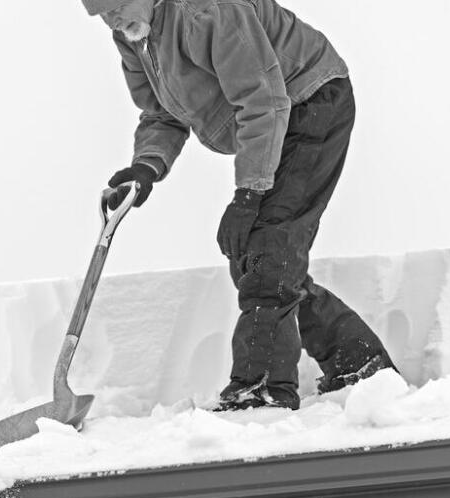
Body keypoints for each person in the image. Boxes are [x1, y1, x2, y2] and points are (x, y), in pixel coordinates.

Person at [85, 0, 395, 410]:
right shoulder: (135, 37)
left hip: (310, 100)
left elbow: (263, 101)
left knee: (270, 249)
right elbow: (162, 112)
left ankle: (262, 388)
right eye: (102, 14)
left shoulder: (207, 12)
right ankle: (360, 364)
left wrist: (248, 194)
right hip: (274, 117)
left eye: (117, 7)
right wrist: (146, 167)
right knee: (257, 258)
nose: (113, 20)